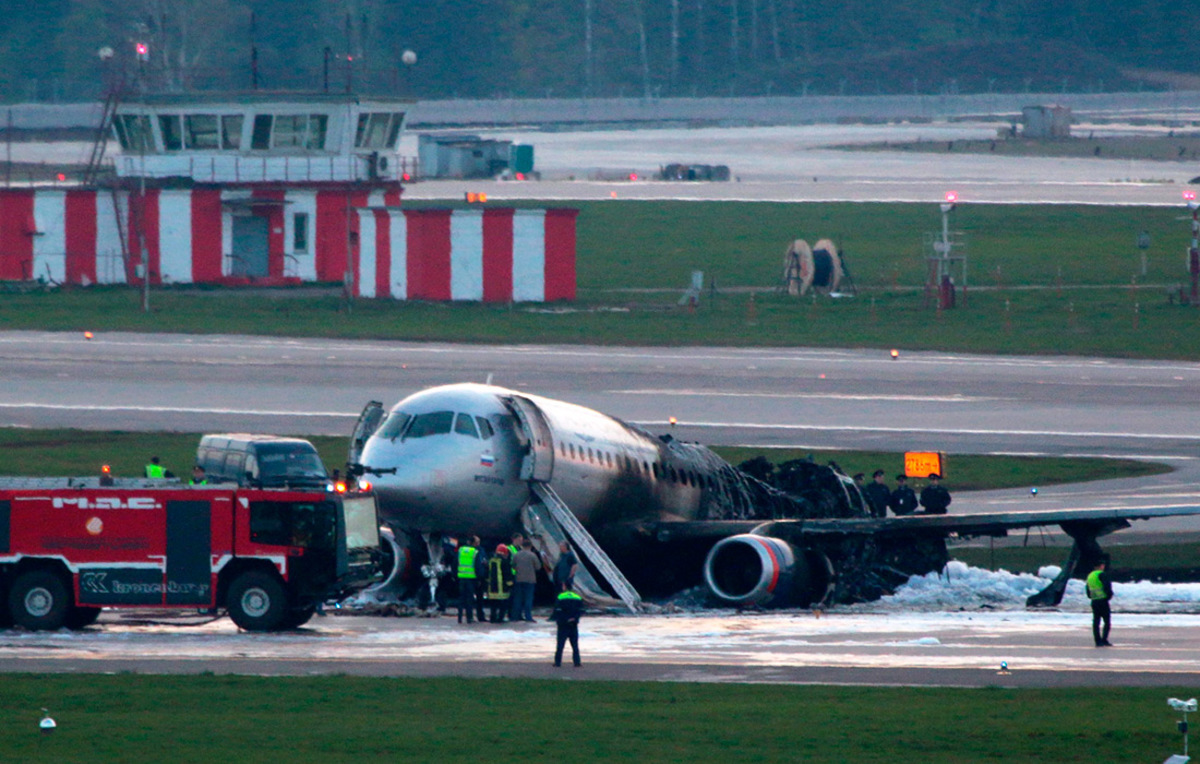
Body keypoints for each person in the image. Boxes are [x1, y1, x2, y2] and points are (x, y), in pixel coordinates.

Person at [551, 585, 584, 668]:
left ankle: (557, 662)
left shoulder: (561, 597)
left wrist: (564, 619)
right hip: (573, 624)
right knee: (575, 645)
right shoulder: (577, 597)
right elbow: (581, 611)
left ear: (564, 587)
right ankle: (577, 662)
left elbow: (558, 610)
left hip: (563, 624)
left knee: (560, 645)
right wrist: (574, 618)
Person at [1087, 556, 1114, 647]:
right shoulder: (1102, 574)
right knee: (1107, 621)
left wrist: (1092, 597)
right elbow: (1107, 587)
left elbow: (1088, 589)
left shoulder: (1090, 576)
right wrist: (1109, 596)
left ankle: (1097, 641)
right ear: (1101, 566)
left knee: (1096, 621)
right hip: (1103, 601)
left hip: (1094, 601)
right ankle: (1104, 639)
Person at [511, 540, 539, 623]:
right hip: (530, 580)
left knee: (518, 598)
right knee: (528, 598)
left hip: (518, 579)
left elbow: (513, 565)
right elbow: (538, 567)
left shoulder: (517, 555)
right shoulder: (532, 555)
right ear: (530, 546)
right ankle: (528, 616)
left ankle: (516, 616)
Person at [486, 545, 515, 623]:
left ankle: (493, 618)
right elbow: (507, 574)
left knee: (493, 605)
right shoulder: (505, 562)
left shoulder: (491, 561)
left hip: (492, 587)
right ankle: (500, 618)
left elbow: (487, 573)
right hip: (502, 587)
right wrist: (510, 584)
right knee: (503, 604)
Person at [456, 535, 481, 624]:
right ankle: (469, 618)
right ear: (474, 543)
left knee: (461, 598)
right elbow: (477, 566)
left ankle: (459, 617)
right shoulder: (475, 552)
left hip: (461, 577)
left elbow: (455, 562)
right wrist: (479, 578)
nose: (478, 544)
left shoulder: (460, 550)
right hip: (471, 578)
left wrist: (455, 575)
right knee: (469, 599)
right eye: (477, 542)